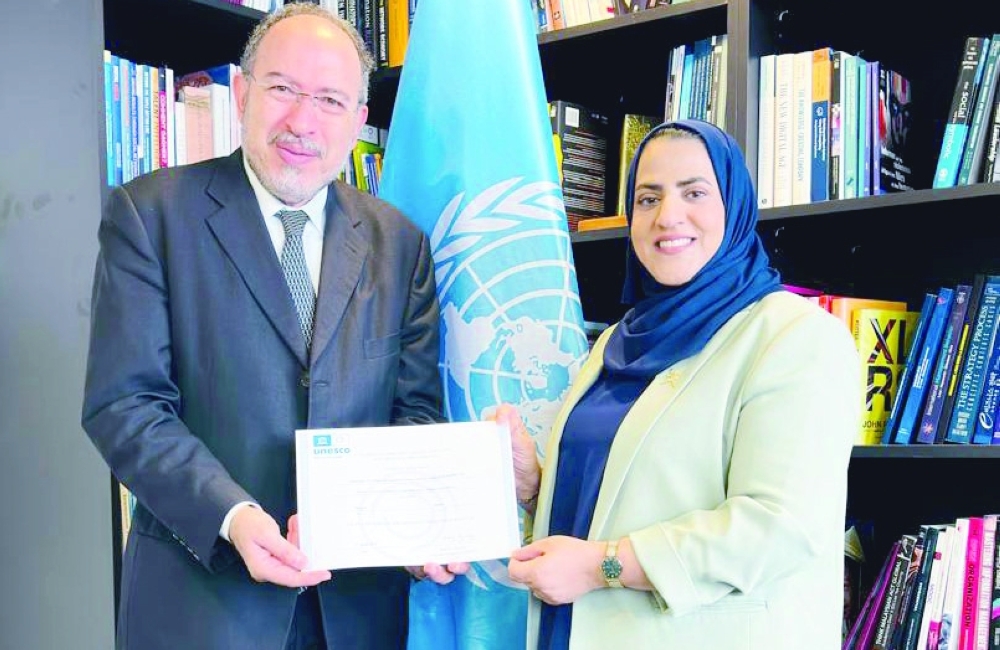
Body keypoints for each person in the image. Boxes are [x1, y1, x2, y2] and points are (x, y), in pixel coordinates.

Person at [82, 5, 464, 649]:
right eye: (283, 88)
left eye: (330, 100)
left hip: (356, 609)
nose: (302, 121)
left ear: (358, 122)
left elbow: (416, 413)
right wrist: (231, 517)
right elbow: (126, 405)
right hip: (203, 600)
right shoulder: (150, 216)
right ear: (241, 93)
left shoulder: (400, 245)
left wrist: (409, 526)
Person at [502, 119, 862, 650]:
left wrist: (603, 564)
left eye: (694, 192)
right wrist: (535, 485)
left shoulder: (796, 337)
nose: (668, 216)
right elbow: (622, 493)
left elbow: (779, 528)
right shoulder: (617, 342)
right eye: (648, 198)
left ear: (734, 205)